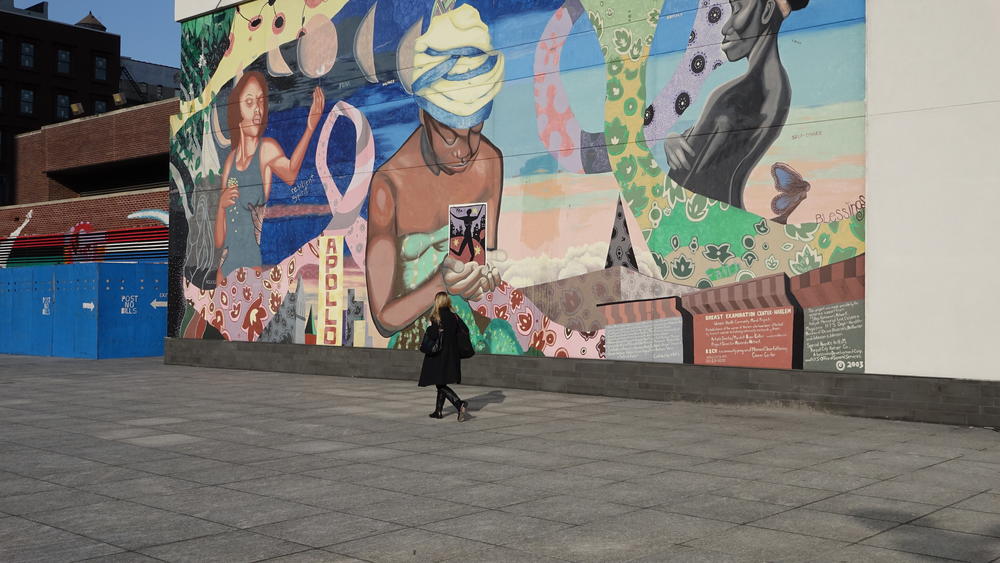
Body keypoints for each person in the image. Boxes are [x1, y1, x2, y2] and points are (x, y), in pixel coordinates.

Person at [365, 5, 503, 341]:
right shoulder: (389, 185)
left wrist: (481, 281)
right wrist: (440, 284)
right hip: (417, 345)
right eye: (450, 133)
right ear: (425, 117)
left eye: (475, 129)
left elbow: (477, 269)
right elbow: (384, 317)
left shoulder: (487, 164)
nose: (466, 149)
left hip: (467, 338)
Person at [665, 0, 808, 209]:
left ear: (767, 10)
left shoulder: (739, 95)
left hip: (702, 222)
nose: (725, 27)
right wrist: (673, 139)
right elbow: (714, 143)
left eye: (737, 8)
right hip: (722, 218)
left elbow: (692, 173)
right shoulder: (773, 88)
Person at [215, 71, 324, 283]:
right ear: (237, 109)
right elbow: (219, 240)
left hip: (252, 263)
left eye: (260, 102)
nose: (257, 110)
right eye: (249, 102)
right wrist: (220, 207)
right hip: (224, 268)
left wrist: (310, 128)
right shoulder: (229, 162)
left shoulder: (266, 149)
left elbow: (291, 174)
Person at [420, 292, 470, 421]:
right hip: (452, 355)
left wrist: (429, 329)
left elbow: (434, 334)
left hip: (439, 354)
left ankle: (459, 404)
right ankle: (438, 411)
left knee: (440, 384)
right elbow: (464, 330)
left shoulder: (437, 316)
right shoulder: (455, 317)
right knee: (440, 382)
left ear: (437, 302)